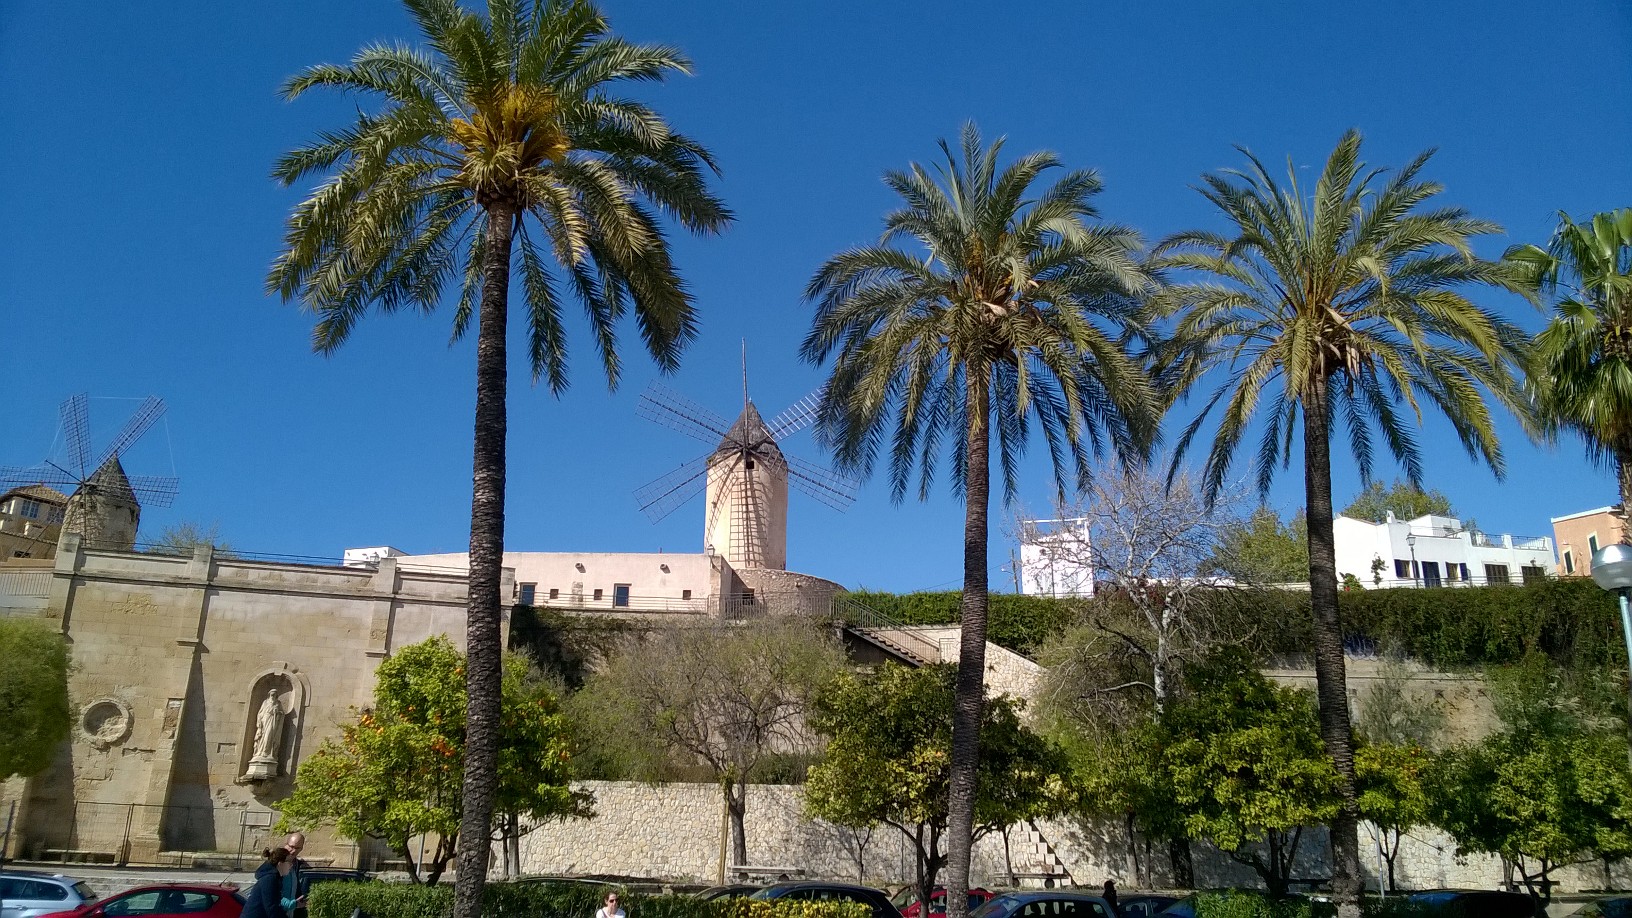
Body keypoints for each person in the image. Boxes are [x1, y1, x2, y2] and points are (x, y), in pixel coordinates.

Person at [241, 848, 296, 918]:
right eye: (289, 862)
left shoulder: (275, 878)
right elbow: (272, 908)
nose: (291, 865)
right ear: (280, 863)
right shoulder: (270, 879)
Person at [281, 832, 311, 918]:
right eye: (291, 846)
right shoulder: (276, 863)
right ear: (286, 844)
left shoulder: (298, 866)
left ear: (301, 848)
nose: (293, 851)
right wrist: (292, 904)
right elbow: (272, 894)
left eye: (297, 848)